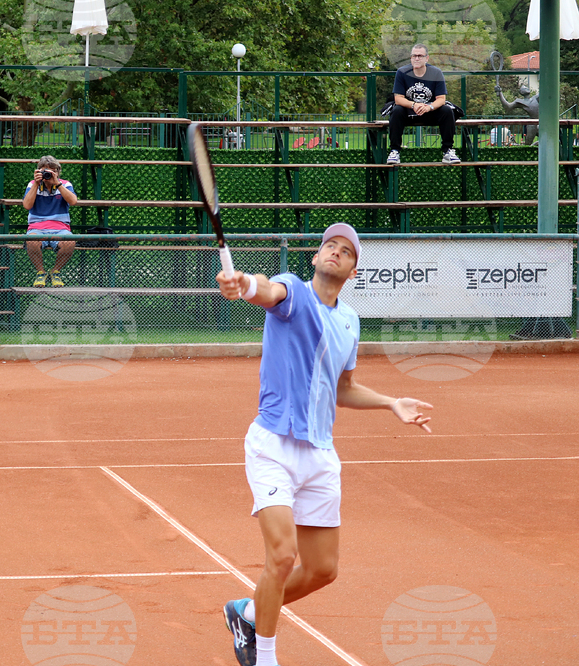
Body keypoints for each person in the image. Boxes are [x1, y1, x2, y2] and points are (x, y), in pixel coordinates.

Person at [214, 223, 434, 666]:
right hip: (273, 445)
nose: (336, 252)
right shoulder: (293, 292)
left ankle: (248, 613)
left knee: (321, 571)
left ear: (353, 271)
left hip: (320, 454)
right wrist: (245, 284)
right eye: (329, 246)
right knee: (281, 556)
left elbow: (343, 387)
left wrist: (392, 402)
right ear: (315, 258)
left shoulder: (349, 321)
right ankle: (267, 657)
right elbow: (267, 291)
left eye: (346, 251)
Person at [387, 44, 460, 165]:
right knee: (397, 110)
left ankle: (448, 151)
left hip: (430, 110)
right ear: (410, 58)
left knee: (447, 110)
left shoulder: (436, 73)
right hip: (409, 110)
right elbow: (398, 99)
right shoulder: (402, 72)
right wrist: (414, 105)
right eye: (414, 56)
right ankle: (395, 151)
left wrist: (429, 107)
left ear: (427, 58)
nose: (416, 58)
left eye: (420, 56)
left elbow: (441, 99)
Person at [21, 155, 79, 287]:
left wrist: (57, 184)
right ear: (39, 172)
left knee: (70, 241)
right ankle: (41, 272)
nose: (49, 174)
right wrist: (36, 183)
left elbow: (73, 201)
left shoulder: (65, 184)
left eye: (53, 171)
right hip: (36, 228)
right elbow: (27, 205)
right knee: (31, 240)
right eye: (45, 171)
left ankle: (55, 272)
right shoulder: (32, 184)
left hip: (61, 228)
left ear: (58, 172)